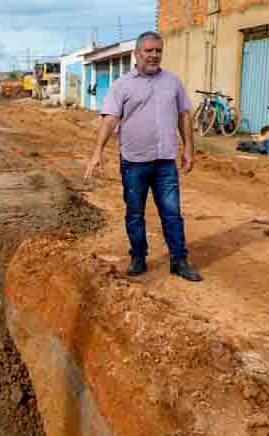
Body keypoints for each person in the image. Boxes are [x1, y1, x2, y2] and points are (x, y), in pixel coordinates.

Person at [84, 31, 203, 282]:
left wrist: (189, 149)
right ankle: (138, 257)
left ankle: (179, 261)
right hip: (134, 163)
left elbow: (184, 115)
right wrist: (97, 152)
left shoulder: (172, 82)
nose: (153, 55)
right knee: (135, 213)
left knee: (171, 212)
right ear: (136, 54)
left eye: (158, 51)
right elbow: (109, 120)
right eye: (148, 51)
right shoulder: (122, 85)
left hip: (164, 162)